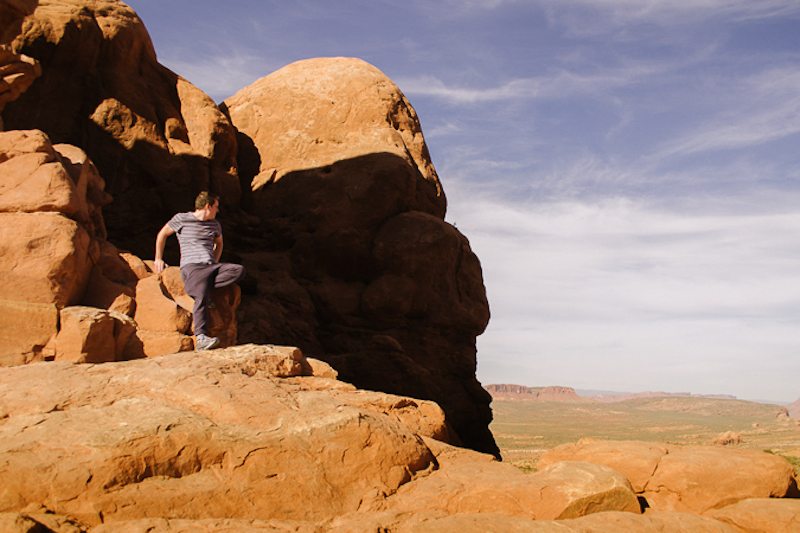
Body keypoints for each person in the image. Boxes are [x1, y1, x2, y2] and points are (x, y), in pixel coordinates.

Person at [154, 192, 246, 350]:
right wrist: (158, 258)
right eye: (216, 207)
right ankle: (201, 338)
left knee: (238, 270)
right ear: (208, 206)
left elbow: (219, 243)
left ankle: (200, 287)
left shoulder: (214, 224)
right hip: (192, 266)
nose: (218, 211)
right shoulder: (182, 219)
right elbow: (162, 234)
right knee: (202, 297)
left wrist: (214, 261)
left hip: (210, 266)